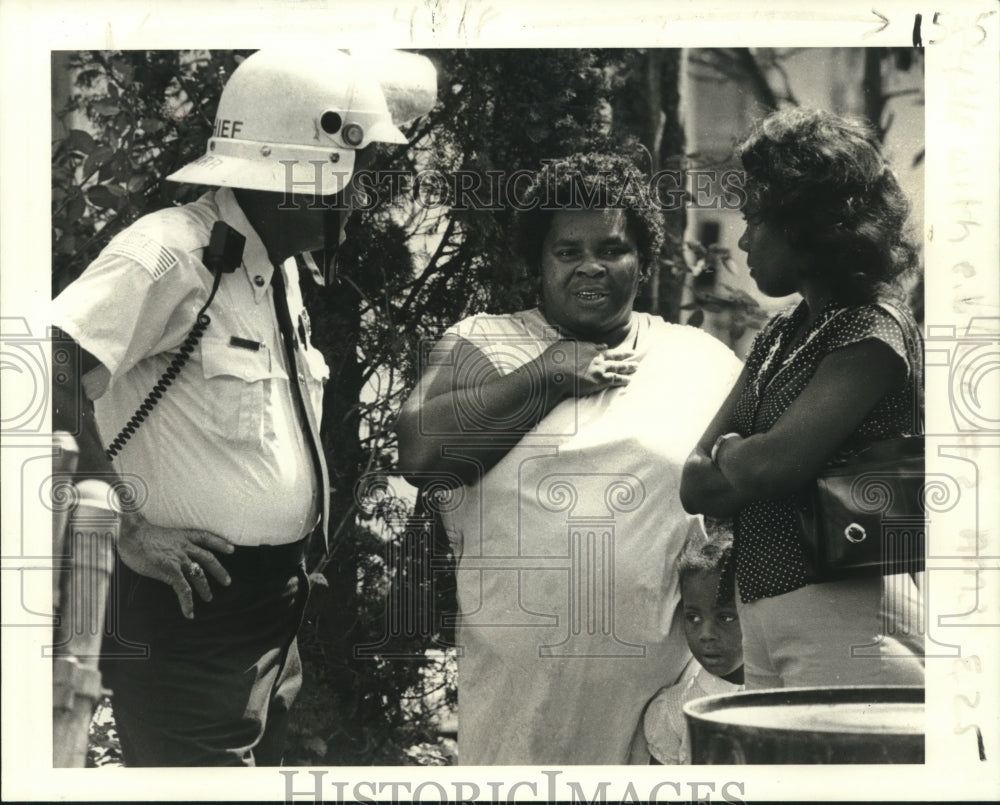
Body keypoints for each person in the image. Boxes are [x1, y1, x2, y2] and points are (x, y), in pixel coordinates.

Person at [51, 49, 434, 766]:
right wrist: (128, 525)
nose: (354, 197)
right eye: (346, 175)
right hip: (190, 614)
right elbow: (42, 364)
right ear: (303, 170)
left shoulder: (271, 268)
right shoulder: (168, 252)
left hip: (271, 610)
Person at [395, 152, 742, 764]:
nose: (591, 266)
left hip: (657, 703)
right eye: (568, 251)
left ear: (642, 258)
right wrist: (549, 373)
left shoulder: (701, 360)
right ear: (539, 260)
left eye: (612, 249)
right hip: (517, 705)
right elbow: (423, 454)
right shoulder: (485, 342)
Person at [679, 108, 925, 690]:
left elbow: (773, 466)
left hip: (851, 617)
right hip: (764, 619)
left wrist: (738, 453)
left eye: (756, 220)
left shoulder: (872, 329)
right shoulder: (782, 333)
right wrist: (751, 457)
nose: (742, 240)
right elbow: (692, 482)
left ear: (808, 224)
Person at [632, 519, 743, 765]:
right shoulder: (674, 710)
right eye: (693, 617)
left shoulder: (779, 695)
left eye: (725, 617)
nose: (706, 633)